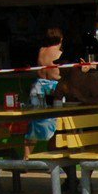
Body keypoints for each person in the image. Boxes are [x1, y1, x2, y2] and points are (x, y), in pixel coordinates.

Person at [25, 26, 65, 157]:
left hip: (37, 87)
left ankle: (26, 158)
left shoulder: (41, 51)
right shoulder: (60, 54)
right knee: (57, 125)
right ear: (60, 39)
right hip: (54, 90)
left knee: (34, 124)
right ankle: (54, 160)